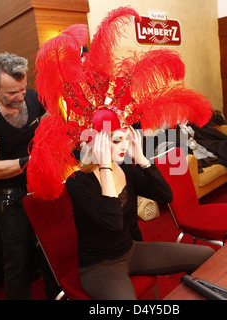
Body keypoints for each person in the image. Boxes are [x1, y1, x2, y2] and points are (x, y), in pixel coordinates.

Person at [65, 110, 215, 300]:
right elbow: (113, 223)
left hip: (131, 250)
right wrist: (104, 167)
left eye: (127, 139)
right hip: (99, 266)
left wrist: (142, 159)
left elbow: (165, 196)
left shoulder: (125, 167)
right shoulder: (78, 182)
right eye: (117, 140)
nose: (124, 146)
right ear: (98, 144)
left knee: (206, 254)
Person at [0, 52, 58, 299]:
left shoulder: (33, 97)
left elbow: (49, 130)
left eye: (22, 89)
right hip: (8, 196)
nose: (20, 97)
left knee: (52, 247)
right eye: (12, 93)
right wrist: (30, 161)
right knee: (17, 261)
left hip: (40, 184)